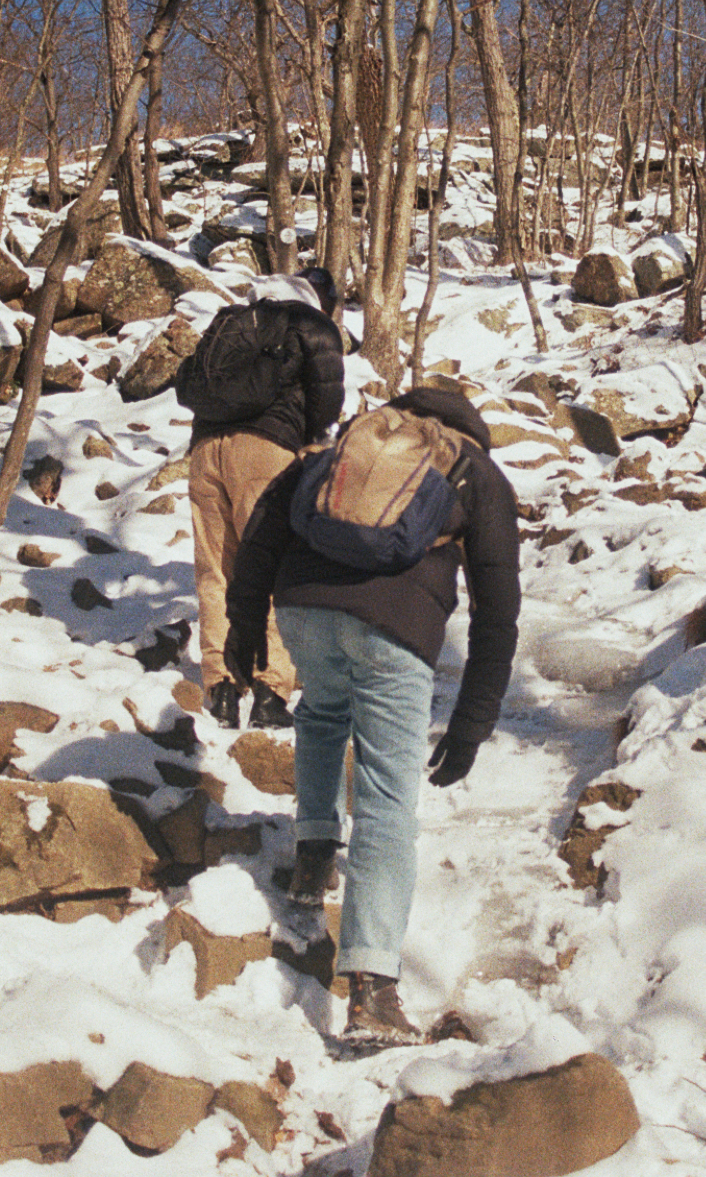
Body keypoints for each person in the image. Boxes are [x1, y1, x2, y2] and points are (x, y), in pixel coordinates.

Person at [223, 387, 520, 1046]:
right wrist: (472, 721)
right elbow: (496, 610)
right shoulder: (472, 469)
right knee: (386, 799)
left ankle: (313, 852)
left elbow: (266, 525)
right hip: (395, 629)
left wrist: (243, 630)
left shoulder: (352, 445)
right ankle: (372, 988)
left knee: (323, 715)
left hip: (302, 609)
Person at [175, 266, 345, 730]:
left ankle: (222, 686)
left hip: (205, 452)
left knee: (216, 569)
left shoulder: (237, 319)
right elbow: (326, 406)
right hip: (266, 454)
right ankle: (270, 690)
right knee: (275, 569)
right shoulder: (311, 324)